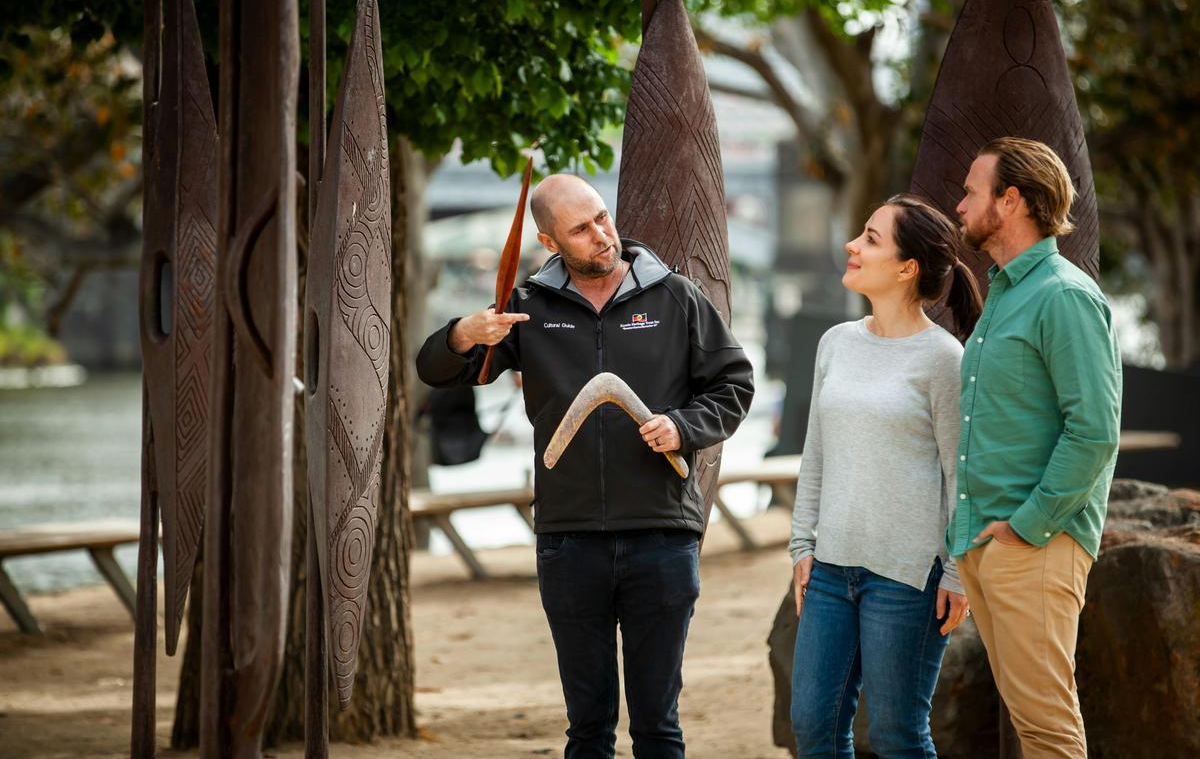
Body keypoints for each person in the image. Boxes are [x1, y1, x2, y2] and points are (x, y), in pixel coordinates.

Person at [416, 173, 754, 758]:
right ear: (549, 242)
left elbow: (734, 384)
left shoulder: (675, 296)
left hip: (661, 535)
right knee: (588, 729)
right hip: (568, 540)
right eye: (581, 229)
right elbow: (435, 372)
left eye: (602, 217)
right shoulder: (528, 308)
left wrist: (683, 427)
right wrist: (464, 334)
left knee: (658, 727)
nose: (602, 234)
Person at [789, 194, 981, 758]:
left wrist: (958, 574)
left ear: (906, 268)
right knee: (814, 728)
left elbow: (962, 476)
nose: (852, 244)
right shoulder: (835, 343)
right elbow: (816, 452)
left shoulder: (944, 359)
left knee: (897, 736)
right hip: (830, 569)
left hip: (907, 577)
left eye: (870, 238)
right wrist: (802, 543)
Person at [950, 137, 1121, 758]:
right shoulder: (1005, 293)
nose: (960, 204)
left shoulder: (1064, 295)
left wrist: (1026, 527)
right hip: (991, 543)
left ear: (1011, 200)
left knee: (1048, 731)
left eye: (972, 191)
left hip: (1037, 543)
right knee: (1033, 727)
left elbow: (1094, 431)